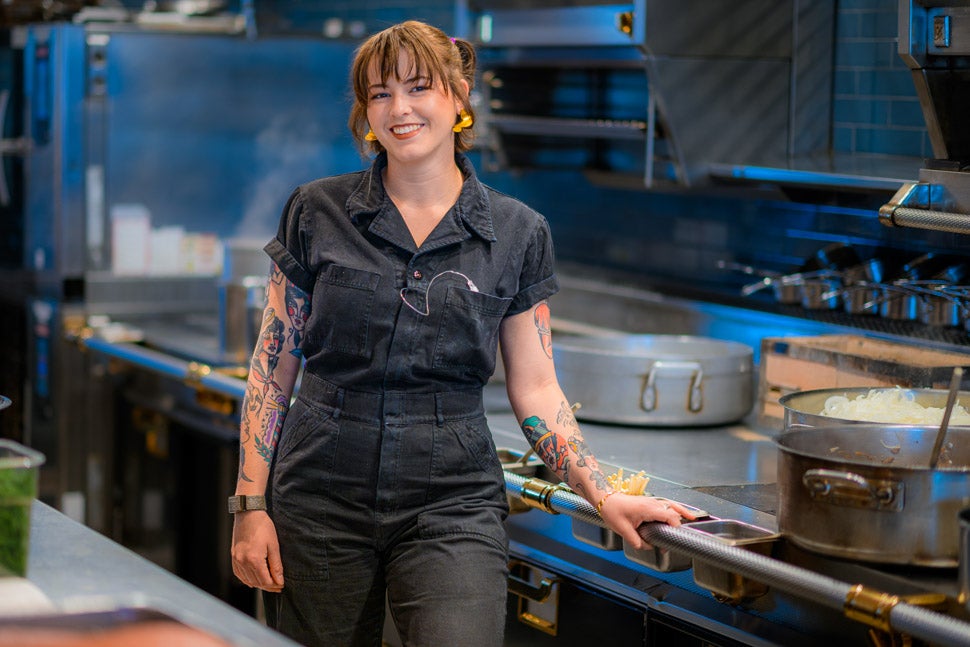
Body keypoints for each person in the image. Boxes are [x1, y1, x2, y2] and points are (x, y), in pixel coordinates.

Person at [229, 19, 695, 647]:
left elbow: (536, 387)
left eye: (418, 87)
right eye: (380, 94)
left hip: (450, 500)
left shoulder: (518, 231)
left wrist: (601, 494)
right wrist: (249, 507)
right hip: (319, 493)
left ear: (458, 96)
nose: (400, 109)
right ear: (366, 113)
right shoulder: (317, 210)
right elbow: (273, 368)